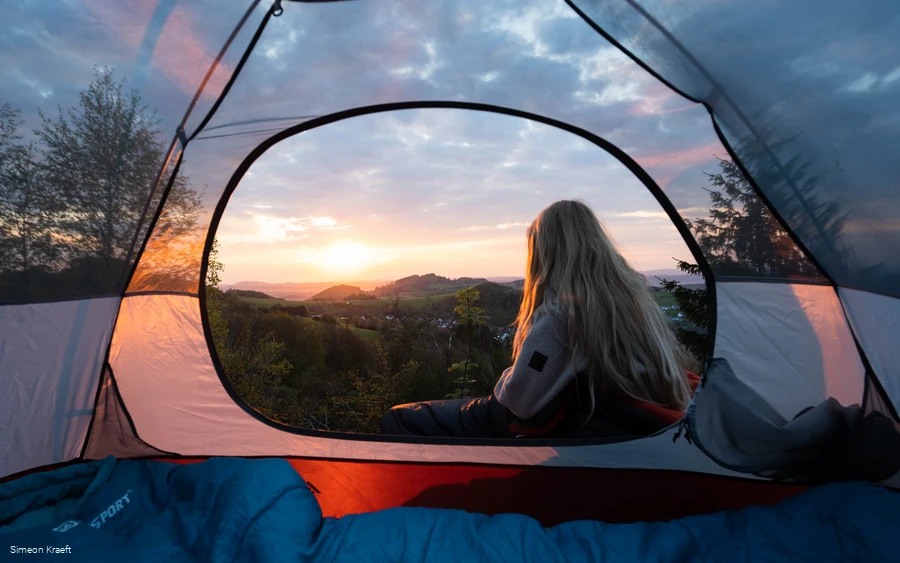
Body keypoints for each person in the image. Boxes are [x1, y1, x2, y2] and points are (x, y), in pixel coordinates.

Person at [380, 200, 698, 438]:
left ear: (546, 252)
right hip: (619, 425)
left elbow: (519, 398)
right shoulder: (631, 305)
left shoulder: (562, 317)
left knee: (401, 418)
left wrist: (508, 374)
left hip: (521, 420)